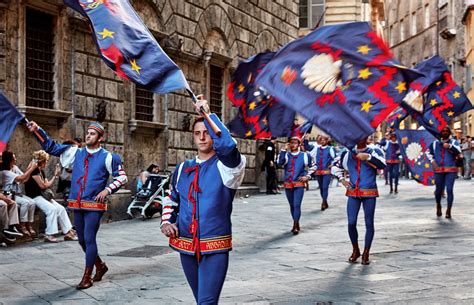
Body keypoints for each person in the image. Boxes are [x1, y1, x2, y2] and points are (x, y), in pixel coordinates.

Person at [160, 96, 246, 304]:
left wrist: (207, 115)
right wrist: (166, 222)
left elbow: (227, 147)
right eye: (198, 133)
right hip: (185, 244)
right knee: (202, 301)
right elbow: (172, 199)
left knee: (206, 302)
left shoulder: (229, 167)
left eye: (207, 132)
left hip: (214, 245)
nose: (202, 137)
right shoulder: (182, 168)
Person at [28, 120, 128, 289]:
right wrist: (38, 130)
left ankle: (87, 276)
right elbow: (51, 147)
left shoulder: (109, 157)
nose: (88, 135)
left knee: (89, 238)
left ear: (100, 138)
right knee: (82, 240)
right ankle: (100, 266)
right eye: (87, 133)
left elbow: (122, 177)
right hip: (77, 202)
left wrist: (107, 191)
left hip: (94, 205)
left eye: (93, 133)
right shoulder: (75, 152)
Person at [332, 137, 386, 265]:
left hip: (369, 192)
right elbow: (335, 166)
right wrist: (341, 179)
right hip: (353, 192)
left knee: (369, 223)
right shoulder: (347, 153)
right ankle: (355, 249)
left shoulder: (375, 150)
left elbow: (383, 164)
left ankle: (366, 252)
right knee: (351, 223)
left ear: (367, 137)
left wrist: (368, 157)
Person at [24, 150, 77, 243]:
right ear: (42, 161)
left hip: (43, 196)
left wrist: (55, 176)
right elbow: (43, 186)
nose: (46, 163)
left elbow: (47, 184)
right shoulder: (34, 171)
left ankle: (68, 232)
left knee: (61, 209)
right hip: (34, 196)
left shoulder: (41, 172)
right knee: (51, 209)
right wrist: (54, 177)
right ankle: (49, 234)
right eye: (46, 161)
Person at [277, 136, 315, 234]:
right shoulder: (285, 155)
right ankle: (296, 221)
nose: (293, 144)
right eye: (291, 142)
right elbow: (279, 163)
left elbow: (314, 166)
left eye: (295, 142)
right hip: (288, 184)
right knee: (292, 205)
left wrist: (307, 176)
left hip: (299, 184)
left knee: (297, 204)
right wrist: (283, 150)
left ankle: (295, 224)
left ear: (299, 144)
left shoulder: (305, 156)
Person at [426, 126, 462, 218]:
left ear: (449, 133)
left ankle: (449, 210)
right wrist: (433, 161)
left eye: (447, 131)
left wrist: (449, 146)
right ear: (440, 133)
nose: (445, 132)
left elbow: (458, 151)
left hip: (451, 169)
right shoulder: (434, 143)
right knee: (438, 191)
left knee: (449, 189)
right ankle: (438, 205)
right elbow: (428, 152)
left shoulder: (454, 142)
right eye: (443, 131)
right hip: (438, 169)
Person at [1, 151, 37, 237]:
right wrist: (31, 168)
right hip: (9, 193)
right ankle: (22, 226)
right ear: (9, 160)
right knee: (25, 203)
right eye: (14, 158)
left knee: (32, 202)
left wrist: (29, 168)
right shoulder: (5, 172)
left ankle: (28, 224)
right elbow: (21, 178)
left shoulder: (15, 168)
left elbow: (25, 179)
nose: (15, 159)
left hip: (17, 193)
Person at [304, 135, 335, 210]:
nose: (323, 141)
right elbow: (307, 148)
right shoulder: (316, 148)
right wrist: (306, 140)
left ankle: (323, 202)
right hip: (318, 171)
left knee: (325, 187)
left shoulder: (330, 148)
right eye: (321, 140)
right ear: (320, 141)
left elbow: (335, 158)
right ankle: (325, 200)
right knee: (321, 188)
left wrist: (332, 164)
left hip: (326, 171)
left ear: (326, 141)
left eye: (324, 140)